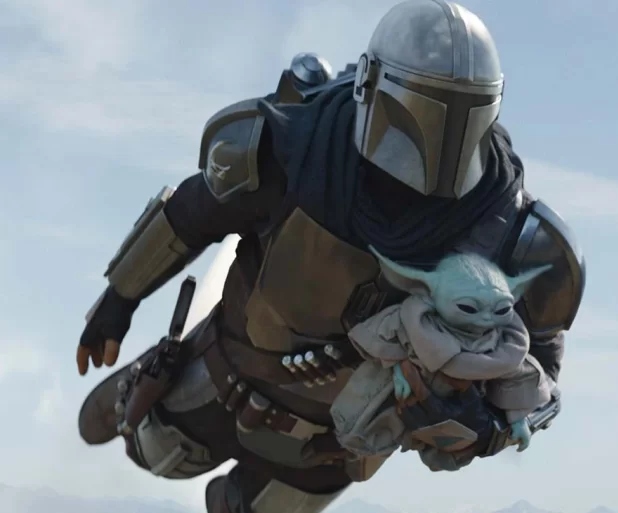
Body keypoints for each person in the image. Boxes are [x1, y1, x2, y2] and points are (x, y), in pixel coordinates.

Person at [76, 1, 586, 512]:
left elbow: (543, 373)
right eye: (429, 110)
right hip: (220, 380)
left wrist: (489, 424)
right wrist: (118, 300)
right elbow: (192, 213)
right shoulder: (294, 152)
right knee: (152, 448)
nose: (438, 142)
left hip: (335, 447)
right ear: (373, 87)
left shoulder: (514, 237)